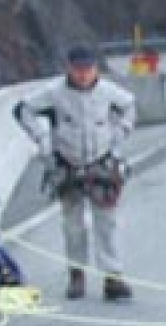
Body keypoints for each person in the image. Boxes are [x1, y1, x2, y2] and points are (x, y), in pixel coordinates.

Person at [13, 46, 138, 301]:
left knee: (107, 223)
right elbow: (22, 109)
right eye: (78, 69)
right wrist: (41, 136)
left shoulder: (108, 92)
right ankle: (76, 275)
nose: (83, 75)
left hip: (101, 163)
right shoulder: (54, 93)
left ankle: (112, 277)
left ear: (96, 69)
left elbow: (130, 106)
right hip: (67, 165)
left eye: (88, 69)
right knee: (73, 225)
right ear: (69, 68)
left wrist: (120, 133)